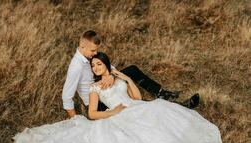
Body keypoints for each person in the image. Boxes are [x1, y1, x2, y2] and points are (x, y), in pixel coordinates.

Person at [13, 52, 224, 143]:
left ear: (106, 64)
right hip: (119, 113)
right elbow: (92, 114)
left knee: (160, 115)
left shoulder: (116, 76)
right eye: (93, 65)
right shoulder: (94, 87)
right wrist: (112, 112)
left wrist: (124, 77)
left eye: (99, 63)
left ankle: (177, 116)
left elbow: (138, 96)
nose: (96, 67)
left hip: (137, 107)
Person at [62, 30, 199, 118]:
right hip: (99, 101)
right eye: (93, 50)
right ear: (82, 47)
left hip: (109, 86)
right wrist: (76, 122)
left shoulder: (89, 56)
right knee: (140, 108)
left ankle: (162, 94)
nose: (96, 53)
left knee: (132, 71)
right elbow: (66, 97)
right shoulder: (76, 67)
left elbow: (108, 67)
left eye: (96, 50)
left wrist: (111, 75)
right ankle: (179, 107)